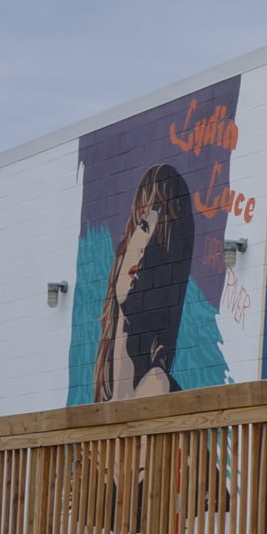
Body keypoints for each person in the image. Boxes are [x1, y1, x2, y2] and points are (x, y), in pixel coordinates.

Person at [91, 162, 194, 403]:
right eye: (144, 226)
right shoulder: (108, 393)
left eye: (160, 240)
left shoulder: (155, 386)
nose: (144, 249)